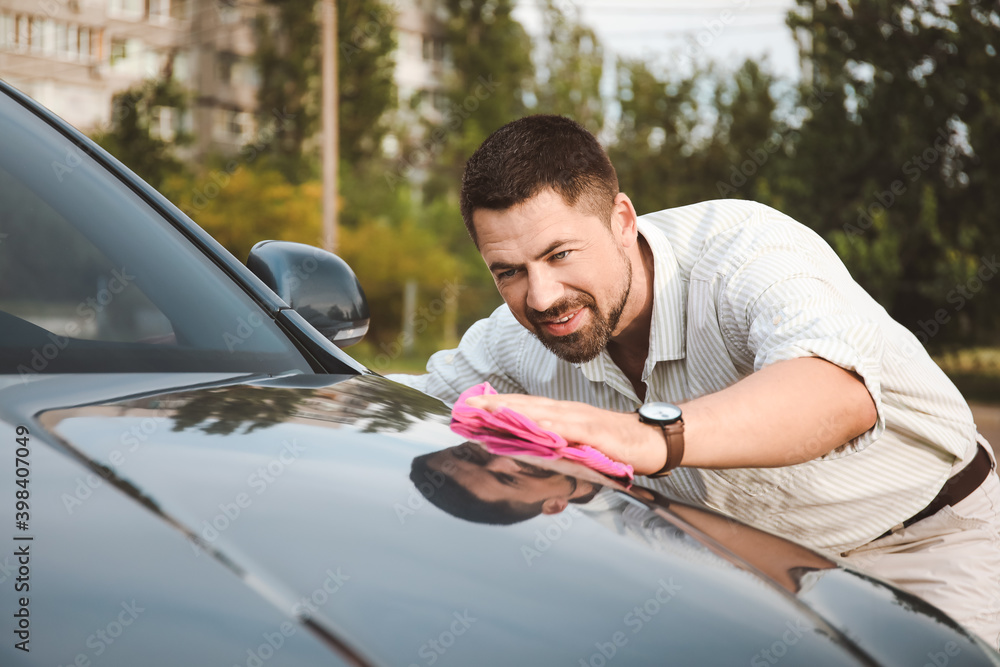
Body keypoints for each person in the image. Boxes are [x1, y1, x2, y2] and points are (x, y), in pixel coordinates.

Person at [389, 114, 1000, 646]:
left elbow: (836, 393)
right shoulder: (512, 337)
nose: (541, 296)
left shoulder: (747, 253)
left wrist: (649, 437)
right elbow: (393, 408)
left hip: (927, 545)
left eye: (559, 255)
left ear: (621, 219)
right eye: (509, 272)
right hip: (742, 572)